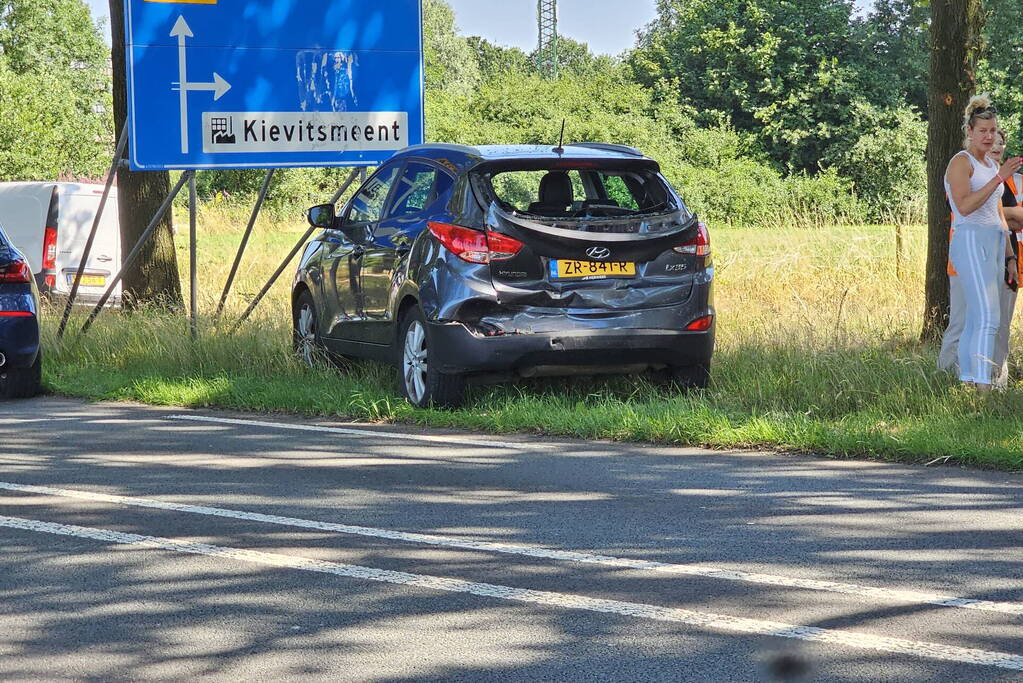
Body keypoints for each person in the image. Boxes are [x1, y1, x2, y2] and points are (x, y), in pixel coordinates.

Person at [942, 95, 1023, 391]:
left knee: (981, 318)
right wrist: (999, 178)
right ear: (970, 131)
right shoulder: (961, 162)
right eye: (983, 131)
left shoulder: (989, 164)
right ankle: (982, 387)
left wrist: (1010, 258)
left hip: (994, 243)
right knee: (988, 317)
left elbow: (999, 216)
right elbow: (964, 207)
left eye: (993, 131)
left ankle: (969, 382)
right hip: (970, 240)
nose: (989, 137)